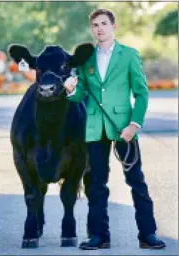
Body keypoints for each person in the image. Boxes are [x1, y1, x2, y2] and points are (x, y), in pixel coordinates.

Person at [64, 8, 166, 250]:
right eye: (95, 25)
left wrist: (134, 124)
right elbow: (81, 94)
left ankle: (147, 234)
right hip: (94, 128)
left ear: (113, 26)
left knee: (136, 181)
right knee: (96, 184)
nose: (99, 29)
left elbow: (141, 93)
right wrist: (70, 89)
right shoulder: (86, 59)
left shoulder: (129, 55)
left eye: (103, 24)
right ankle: (100, 235)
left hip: (124, 128)